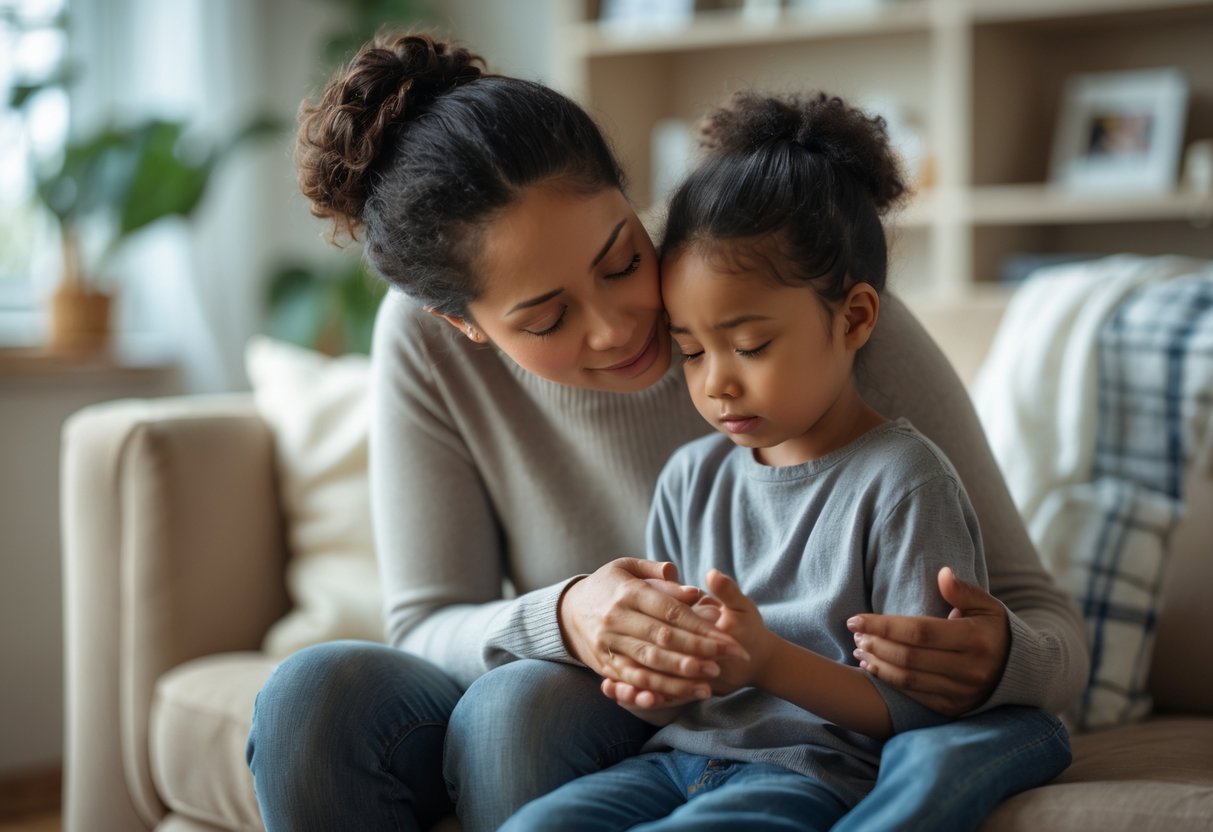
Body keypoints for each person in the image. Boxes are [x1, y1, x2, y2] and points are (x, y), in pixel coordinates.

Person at [245, 31, 1084, 832]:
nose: (617, 327)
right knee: (310, 694)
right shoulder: (426, 348)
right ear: (463, 325)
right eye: (545, 319)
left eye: (619, 261)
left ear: (626, 188)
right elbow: (426, 622)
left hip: (707, 726)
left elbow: (1038, 615)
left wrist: (998, 657)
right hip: (637, 702)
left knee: (518, 708)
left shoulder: (791, 295)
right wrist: (567, 614)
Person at [500, 90, 1060, 832]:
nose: (714, 382)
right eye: (691, 351)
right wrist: (654, 677)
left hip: (812, 774)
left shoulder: (901, 481)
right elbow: (688, 685)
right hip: (671, 757)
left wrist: (765, 660)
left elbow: (919, 707)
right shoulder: (690, 479)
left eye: (751, 345)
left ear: (855, 317)